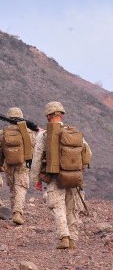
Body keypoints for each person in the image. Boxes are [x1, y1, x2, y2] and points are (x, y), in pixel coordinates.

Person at [31, 101, 91, 249]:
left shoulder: (44, 135)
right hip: (74, 177)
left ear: (48, 115)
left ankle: (64, 237)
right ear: (62, 114)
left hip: (54, 177)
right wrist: (76, 170)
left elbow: (37, 157)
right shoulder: (74, 133)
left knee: (58, 207)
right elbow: (88, 153)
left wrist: (36, 179)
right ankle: (73, 239)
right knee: (72, 207)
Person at [0, 107, 36, 225]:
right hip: (23, 165)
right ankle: (18, 213)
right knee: (21, 188)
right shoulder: (28, 132)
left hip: (8, 164)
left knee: (12, 189)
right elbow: (33, 148)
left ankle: (13, 212)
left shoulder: (3, 132)